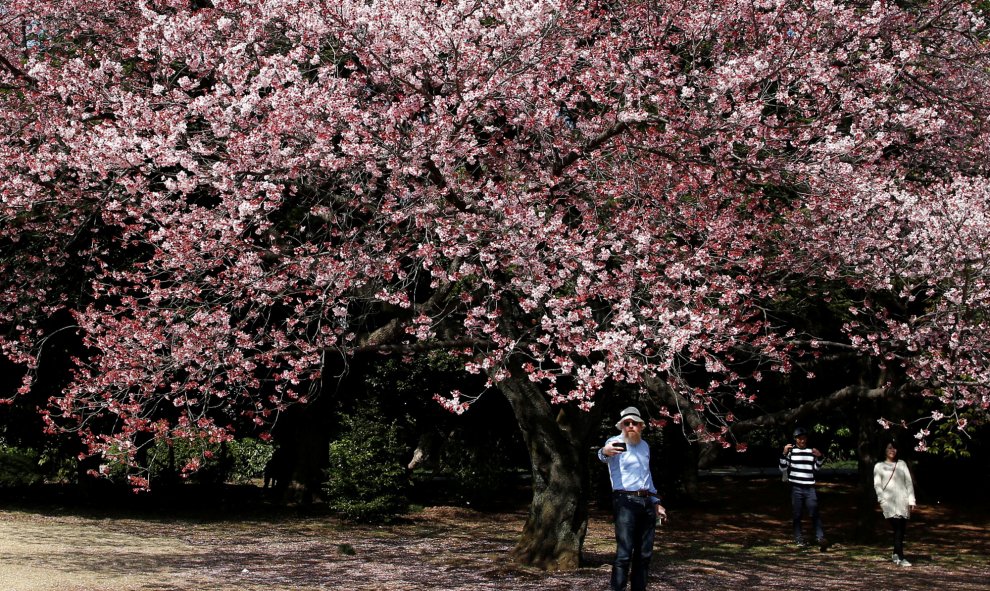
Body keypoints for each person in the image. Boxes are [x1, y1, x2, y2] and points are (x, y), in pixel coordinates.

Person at [598, 406, 667, 591]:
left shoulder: (645, 446)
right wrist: (605, 451)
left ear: (641, 426)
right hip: (625, 501)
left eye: (634, 423)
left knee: (644, 554)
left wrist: (656, 502)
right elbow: (603, 455)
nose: (630, 426)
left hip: (646, 501)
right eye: (626, 423)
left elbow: (647, 475)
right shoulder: (614, 442)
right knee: (624, 553)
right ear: (621, 426)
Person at [779, 426, 829, 550]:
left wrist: (820, 457)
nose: (802, 441)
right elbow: (782, 468)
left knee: (814, 512)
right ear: (796, 439)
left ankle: (820, 538)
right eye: (800, 438)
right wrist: (784, 453)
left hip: (809, 487)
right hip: (796, 486)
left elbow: (816, 468)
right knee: (797, 514)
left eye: (804, 438)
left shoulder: (811, 451)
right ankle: (798, 538)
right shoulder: (791, 452)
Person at [873, 440, 916, 567]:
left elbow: (908, 482)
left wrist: (911, 499)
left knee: (901, 530)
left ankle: (896, 554)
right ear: (885, 450)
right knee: (897, 528)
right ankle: (901, 557)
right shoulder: (879, 466)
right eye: (890, 448)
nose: (892, 450)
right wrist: (881, 500)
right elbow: (877, 485)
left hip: (902, 501)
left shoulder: (901, 464)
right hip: (888, 502)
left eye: (894, 448)